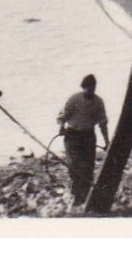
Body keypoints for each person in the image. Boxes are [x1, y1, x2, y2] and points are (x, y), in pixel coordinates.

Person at [57, 74, 109, 205]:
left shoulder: (98, 102)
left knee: (88, 167)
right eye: (88, 87)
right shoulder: (74, 99)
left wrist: (107, 141)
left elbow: (102, 123)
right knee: (73, 166)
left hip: (88, 136)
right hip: (72, 136)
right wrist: (61, 127)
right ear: (84, 87)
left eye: (93, 87)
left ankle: (86, 196)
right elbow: (63, 115)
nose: (91, 90)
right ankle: (76, 194)